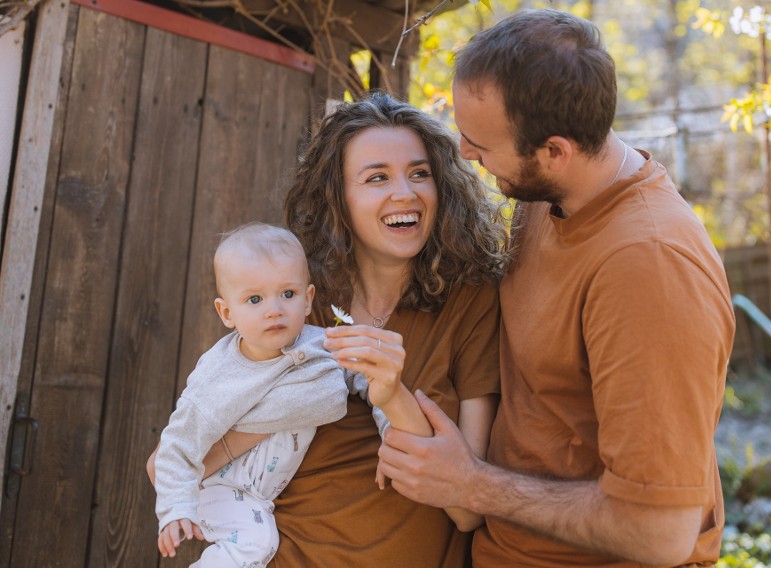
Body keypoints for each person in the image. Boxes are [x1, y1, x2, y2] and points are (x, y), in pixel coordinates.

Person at [378, 9, 736, 567]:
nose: (466, 153)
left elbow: (660, 534)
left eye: (482, 144)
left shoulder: (650, 270)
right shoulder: (553, 195)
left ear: (554, 151)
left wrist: (470, 484)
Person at [153, 92, 509, 567]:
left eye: (419, 173)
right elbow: (168, 464)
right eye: (376, 177)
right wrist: (309, 400)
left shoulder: (471, 301)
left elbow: (467, 512)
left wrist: (391, 396)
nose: (404, 192)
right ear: (338, 197)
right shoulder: (293, 300)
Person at [152, 222, 424, 566]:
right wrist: (175, 508)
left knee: (261, 541)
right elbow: (177, 444)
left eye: (288, 294)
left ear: (308, 300)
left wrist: (391, 435)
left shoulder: (323, 345)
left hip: (260, 495)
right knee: (256, 542)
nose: (274, 309)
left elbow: (373, 383)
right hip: (217, 487)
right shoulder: (218, 374)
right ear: (226, 313)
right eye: (254, 299)